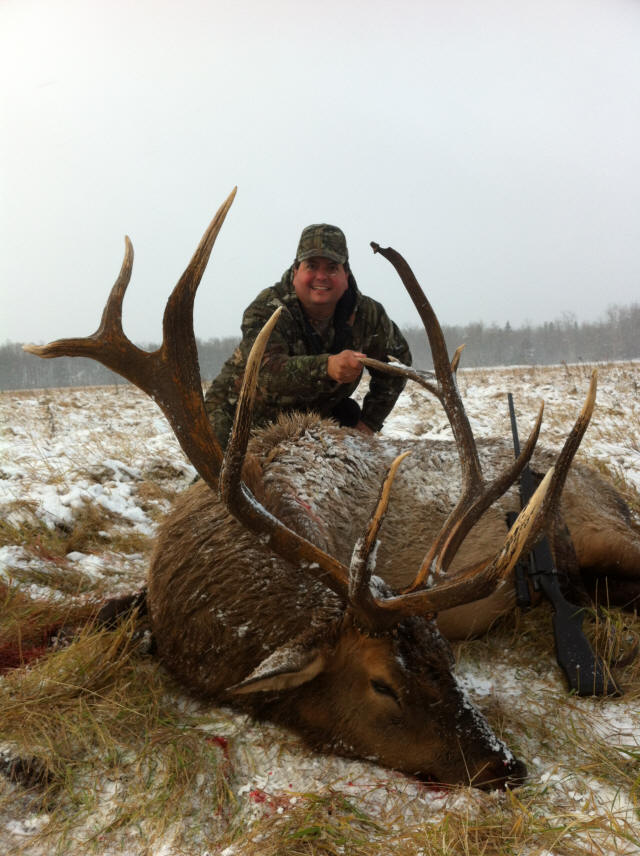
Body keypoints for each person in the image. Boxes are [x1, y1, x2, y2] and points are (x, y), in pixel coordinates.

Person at [204, 223, 412, 448]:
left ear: (346, 275)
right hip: (241, 418)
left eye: (332, 267)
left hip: (313, 421)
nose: (321, 276)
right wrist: (327, 367)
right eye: (311, 266)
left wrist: (369, 422)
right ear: (295, 272)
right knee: (226, 478)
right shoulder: (267, 308)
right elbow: (264, 373)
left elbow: (397, 365)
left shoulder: (369, 315)